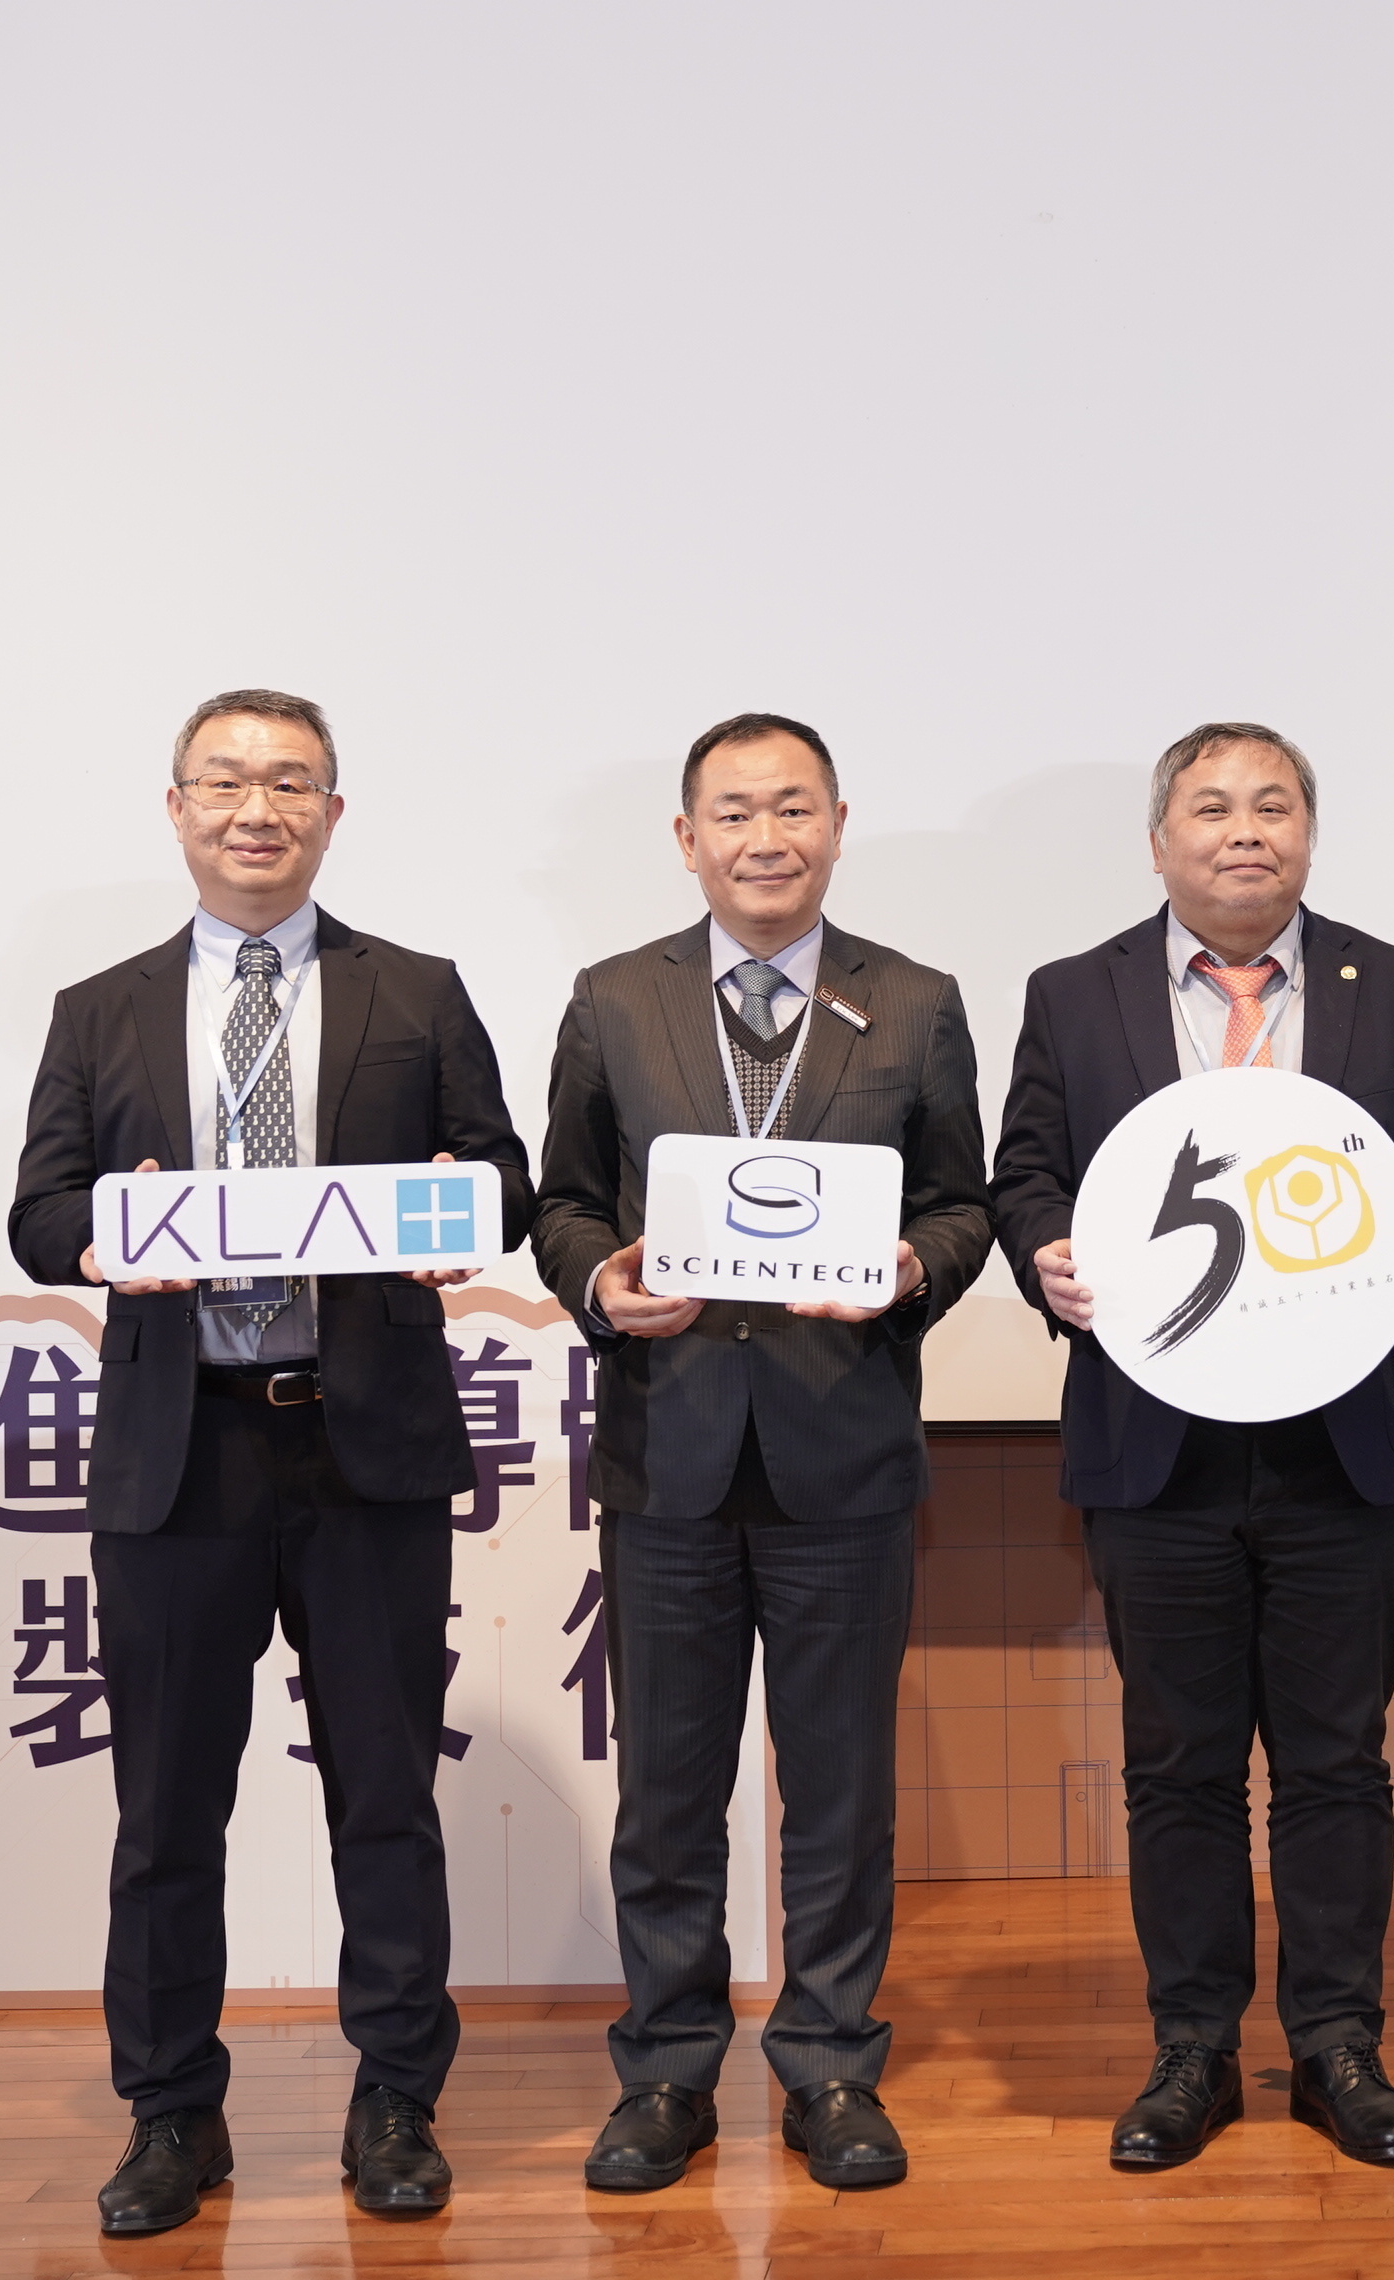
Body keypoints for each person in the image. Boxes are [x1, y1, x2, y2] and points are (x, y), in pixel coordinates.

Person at [8, 687, 532, 2237]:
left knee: (385, 1795)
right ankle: (173, 2116)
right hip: (180, 1459)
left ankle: (395, 2104)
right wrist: (123, 1232)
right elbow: (40, 1217)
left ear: (332, 812)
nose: (258, 807)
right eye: (226, 781)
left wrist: (457, 1212)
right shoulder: (98, 1008)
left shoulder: (417, 992)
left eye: (290, 782)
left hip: (360, 1445)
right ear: (176, 807)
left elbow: (497, 1177)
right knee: (168, 1809)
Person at [990, 722, 1394, 2174]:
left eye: (1274, 805)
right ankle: (1193, 2050)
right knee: (1180, 1766)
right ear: (1161, 842)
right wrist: (1044, 1255)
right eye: (1211, 808)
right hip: (1159, 1447)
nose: (1243, 831)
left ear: (1310, 836)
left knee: (1338, 1761)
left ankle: (1339, 2047)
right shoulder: (1073, 995)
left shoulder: (1393, 984)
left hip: (1344, 1436)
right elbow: (1027, 1169)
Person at [529, 713, 993, 2195]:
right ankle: (666, 2071)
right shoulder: (614, 1000)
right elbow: (562, 1202)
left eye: (793, 808)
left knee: (840, 1787)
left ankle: (832, 2066)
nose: (766, 837)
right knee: (670, 1791)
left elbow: (965, 1205)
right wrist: (601, 1280)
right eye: (734, 813)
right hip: (667, 1452)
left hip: (841, 1450)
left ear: (839, 824)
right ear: (687, 840)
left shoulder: (913, 1003)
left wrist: (912, 1270)